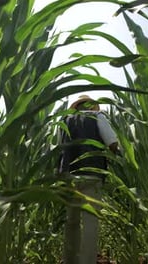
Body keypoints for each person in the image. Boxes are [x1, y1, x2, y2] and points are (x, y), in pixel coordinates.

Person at [58, 95, 118, 264]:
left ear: (76, 107)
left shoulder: (65, 120)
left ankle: (69, 260)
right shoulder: (98, 117)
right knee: (90, 221)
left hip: (70, 175)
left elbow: (59, 148)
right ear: (92, 106)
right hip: (92, 173)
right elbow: (112, 143)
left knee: (71, 221)